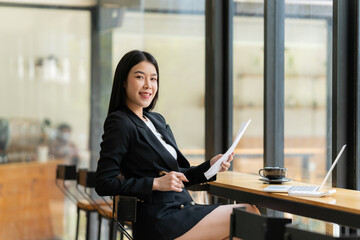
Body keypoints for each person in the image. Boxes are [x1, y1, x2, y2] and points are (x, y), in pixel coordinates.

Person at [95, 50, 259, 240]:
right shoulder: (120, 122)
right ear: (123, 81)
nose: (148, 85)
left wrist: (211, 166)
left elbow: (178, 174)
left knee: (247, 218)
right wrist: (155, 183)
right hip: (160, 220)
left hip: (182, 210)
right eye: (140, 77)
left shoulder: (156, 120)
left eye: (153, 79)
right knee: (248, 215)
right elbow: (104, 183)